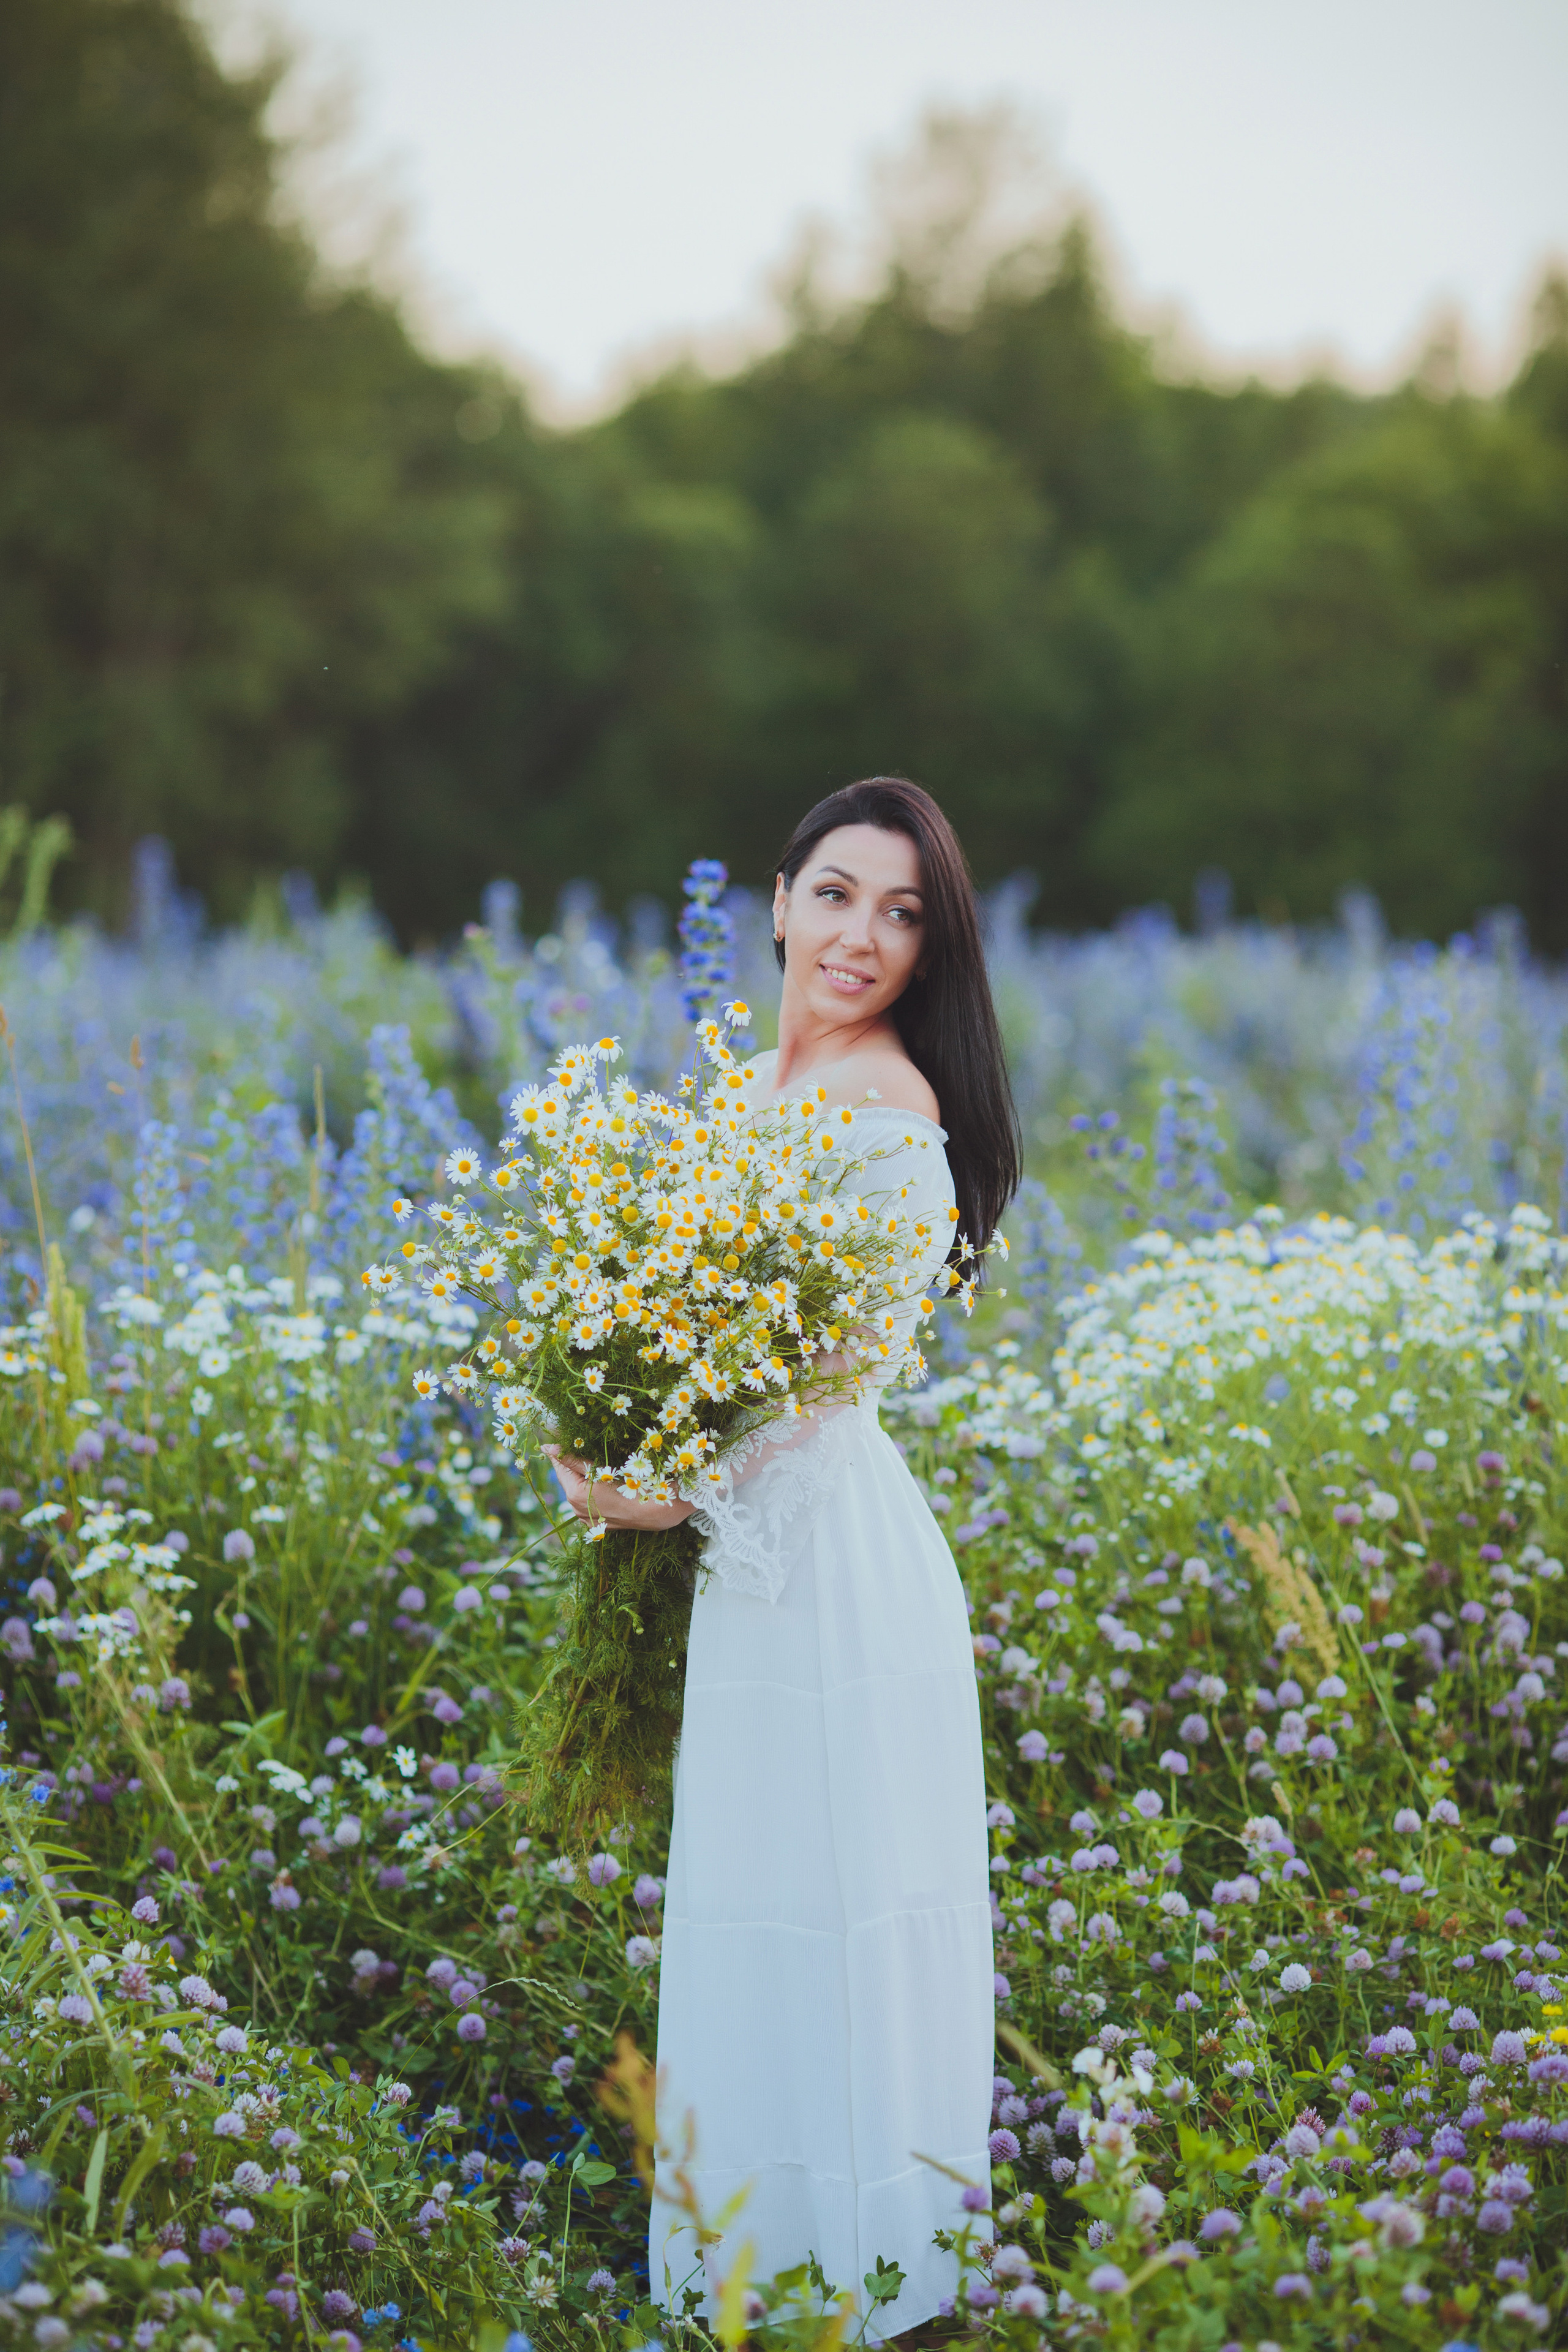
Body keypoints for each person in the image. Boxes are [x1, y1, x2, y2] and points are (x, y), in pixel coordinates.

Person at [549, 777, 1021, 2336]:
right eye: (836, 894)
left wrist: (660, 1493)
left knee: (835, 1910)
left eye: (900, 914)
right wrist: (620, 1429)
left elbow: (828, 1387)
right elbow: (707, 1338)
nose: (859, 937)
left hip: (829, 1560)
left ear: (928, 949)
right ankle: (755, 2284)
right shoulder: (753, 1087)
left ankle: (875, 2293)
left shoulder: (892, 1112)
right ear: (774, 901)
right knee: (753, 1907)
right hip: (759, 1561)